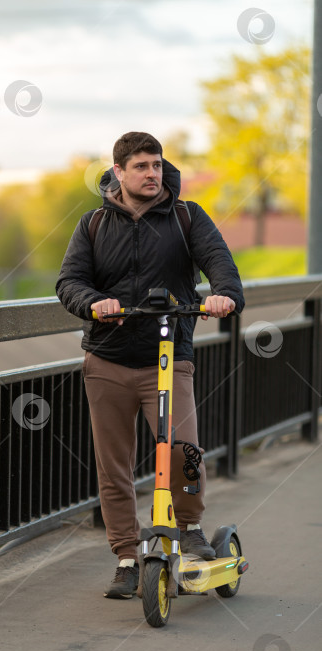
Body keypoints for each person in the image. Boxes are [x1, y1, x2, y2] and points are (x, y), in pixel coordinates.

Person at [56, 132, 244, 599]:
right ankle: (125, 555)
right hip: (109, 359)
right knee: (113, 464)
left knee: (184, 451)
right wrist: (95, 303)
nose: (152, 174)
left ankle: (192, 527)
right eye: (141, 166)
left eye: (157, 165)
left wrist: (223, 295)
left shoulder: (185, 216)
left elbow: (221, 265)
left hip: (169, 356)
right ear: (117, 172)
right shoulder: (94, 223)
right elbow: (69, 282)